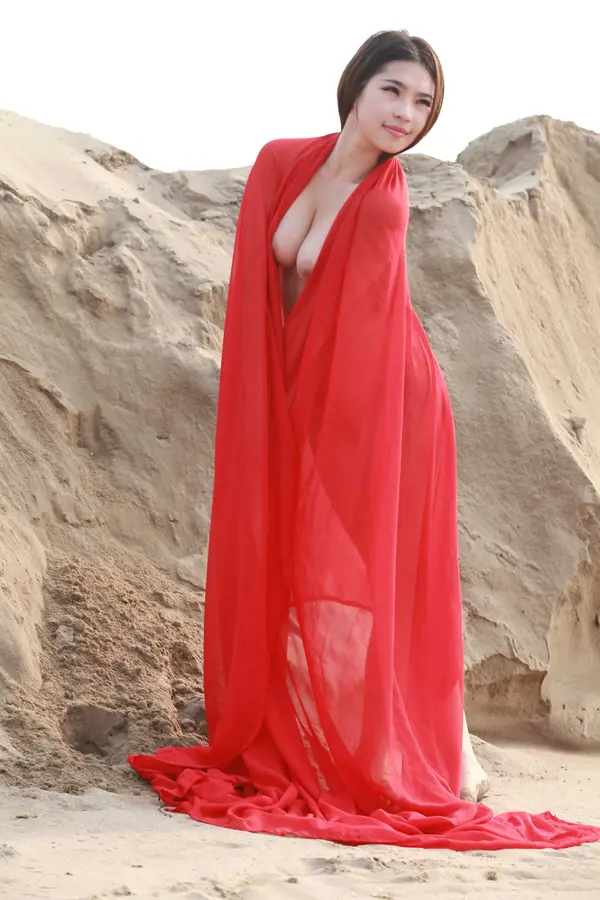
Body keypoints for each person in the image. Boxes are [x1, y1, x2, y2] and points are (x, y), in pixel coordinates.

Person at [129, 31, 600, 850]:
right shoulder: (281, 161)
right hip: (302, 391)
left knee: (372, 573)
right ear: (356, 87)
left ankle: (436, 750)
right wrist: (268, 409)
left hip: (386, 404)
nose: (406, 114)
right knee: (294, 556)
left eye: (423, 103)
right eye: (393, 91)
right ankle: (371, 734)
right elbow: (258, 293)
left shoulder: (386, 198)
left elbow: (366, 334)